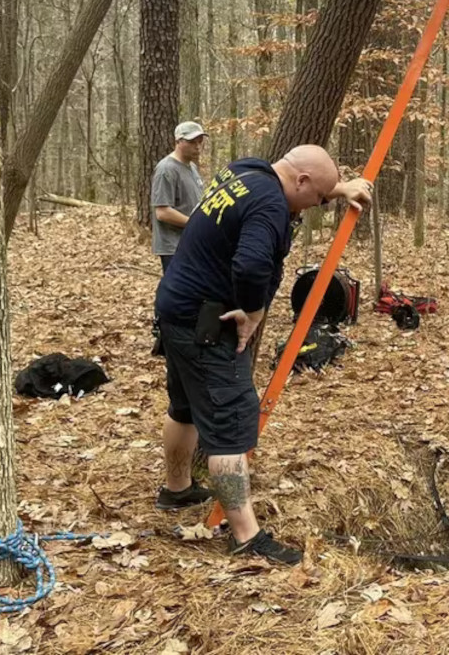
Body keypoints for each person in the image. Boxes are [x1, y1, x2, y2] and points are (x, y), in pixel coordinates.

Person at [153, 145, 372, 566]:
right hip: (207, 323)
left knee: (184, 408)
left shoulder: (247, 171)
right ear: (301, 182)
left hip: (176, 308)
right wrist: (254, 312)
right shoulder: (271, 205)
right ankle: (245, 536)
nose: (314, 208)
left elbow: (301, 186)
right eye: (316, 199)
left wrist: (338, 188)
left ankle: (176, 489)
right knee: (231, 423)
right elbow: (252, 265)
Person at [151, 121, 208, 273]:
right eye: (191, 142)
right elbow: (162, 212)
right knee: (178, 294)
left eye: (199, 142)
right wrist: (195, 224)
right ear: (178, 142)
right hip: (174, 247)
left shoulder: (192, 167)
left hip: (191, 243)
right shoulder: (166, 169)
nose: (197, 146)